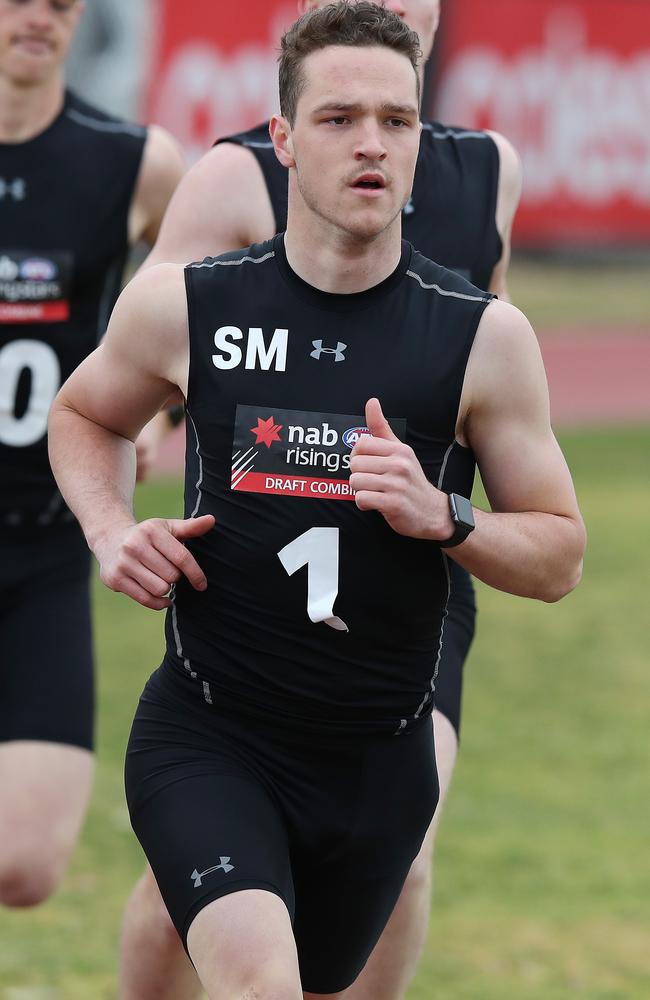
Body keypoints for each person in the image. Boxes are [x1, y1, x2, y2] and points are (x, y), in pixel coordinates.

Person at [49, 3, 585, 998]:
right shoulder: (191, 303)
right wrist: (111, 529)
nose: (370, 144)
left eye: (395, 120)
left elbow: (559, 556)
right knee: (258, 983)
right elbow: (85, 413)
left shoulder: (482, 337)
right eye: (338, 119)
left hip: (378, 761)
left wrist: (443, 515)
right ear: (283, 141)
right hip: (211, 731)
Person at [0, 0, 184, 909]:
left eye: (61, 3)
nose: (39, 17)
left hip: (40, 548)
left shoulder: (134, 163)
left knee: (26, 869)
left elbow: (215, 302)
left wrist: (155, 413)